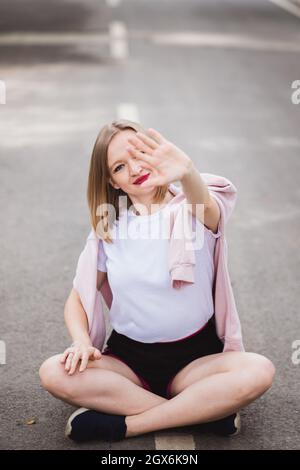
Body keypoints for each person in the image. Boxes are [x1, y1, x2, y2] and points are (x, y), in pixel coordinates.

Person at [39, 119, 275, 443]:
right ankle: (201, 412)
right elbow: (77, 299)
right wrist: (81, 341)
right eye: (120, 167)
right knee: (53, 372)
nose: (135, 168)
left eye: (140, 154)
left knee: (259, 371)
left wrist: (186, 170)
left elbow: (207, 205)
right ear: (113, 181)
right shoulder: (109, 230)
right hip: (129, 364)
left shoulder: (192, 207)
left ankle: (129, 424)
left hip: (197, 361)